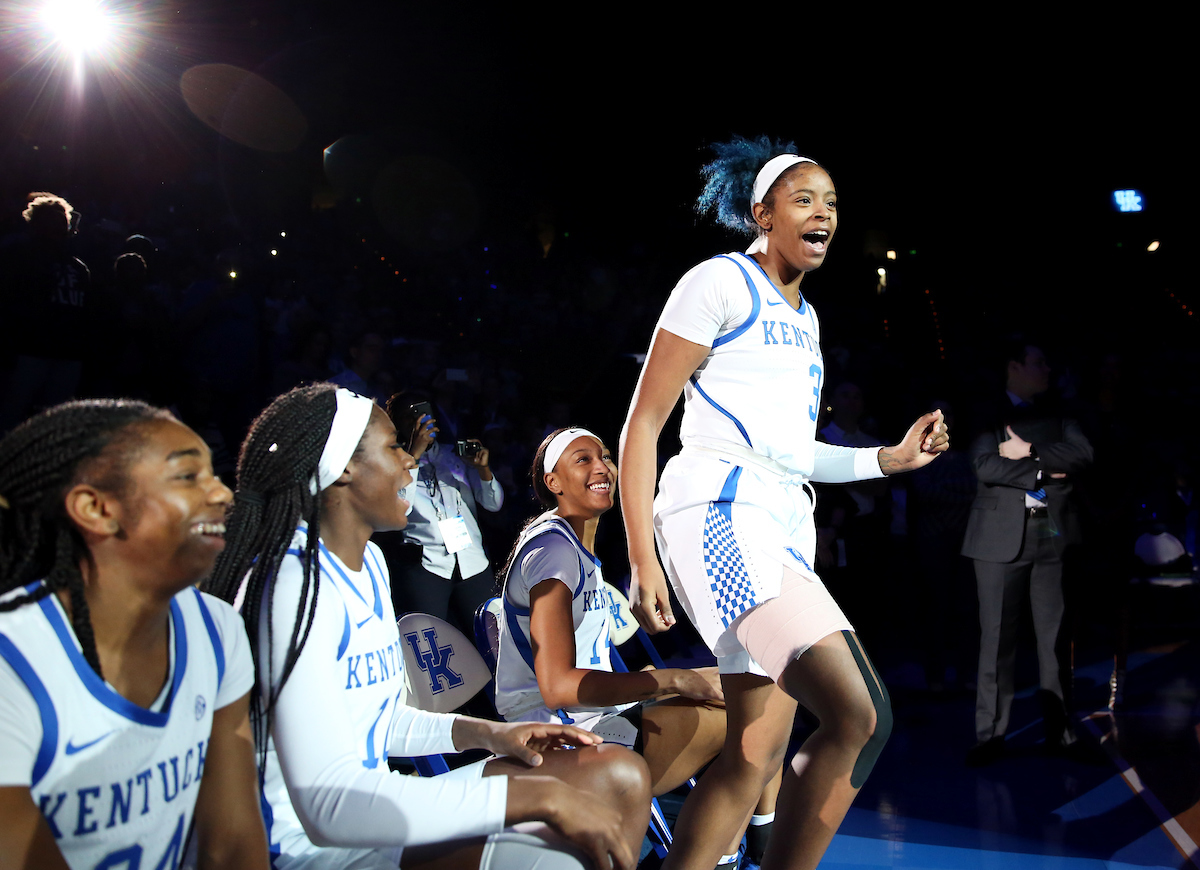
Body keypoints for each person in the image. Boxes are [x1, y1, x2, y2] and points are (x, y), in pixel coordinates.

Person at [619, 137, 949, 870]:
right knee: (861, 712)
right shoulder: (719, 282)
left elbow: (795, 453)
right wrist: (642, 557)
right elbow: (644, 422)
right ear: (762, 214)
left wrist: (887, 459)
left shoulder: (807, 321)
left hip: (777, 523)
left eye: (832, 202)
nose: (823, 212)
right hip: (717, 516)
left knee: (753, 754)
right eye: (805, 199)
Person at [206, 383, 650, 870]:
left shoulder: (369, 563)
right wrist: (533, 800)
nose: (411, 461)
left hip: (371, 814)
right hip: (317, 847)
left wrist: (495, 735)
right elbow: (327, 807)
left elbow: (383, 723)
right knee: (561, 854)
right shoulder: (292, 585)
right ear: (343, 468)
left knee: (618, 773)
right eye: (394, 446)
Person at [495, 428, 782, 867]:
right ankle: (728, 851)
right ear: (553, 482)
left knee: (760, 688)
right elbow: (556, 686)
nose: (601, 467)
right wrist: (669, 680)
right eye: (582, 459)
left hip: (592, 714)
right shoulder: (552, 554)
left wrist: (663, 682)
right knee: (748, 723)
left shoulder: (572, 546)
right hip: (555, 735)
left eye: (605, 456)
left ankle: (753, 843)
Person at [0, 399, 267, 870]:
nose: (223, 493)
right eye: (188, 476)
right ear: (97, 508)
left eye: (213, 474)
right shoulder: (12, 660)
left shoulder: (216, 629)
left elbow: (231, 847)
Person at [962, 342, 1093, 766]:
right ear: (1014, 366)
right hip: (999, 538)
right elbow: (984, 465)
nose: (1047, 368)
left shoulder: (1062, 410)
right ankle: (990, 736)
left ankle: (1061, 732)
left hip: (1051, 534)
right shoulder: (986, 411)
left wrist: (1029, 454)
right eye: (1039, 362)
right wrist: (1043, 471)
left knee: (1054, 639)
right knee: (997, 638)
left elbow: (1083, 455)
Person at [383, 395, 503, 635]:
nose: (420, 422)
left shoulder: (454, 455)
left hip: (472, 561)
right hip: (426, 564)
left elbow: (493, 503)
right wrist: (413, 457)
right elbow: (397, 507)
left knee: (493, 638)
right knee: (429, 642)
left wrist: (483, 470)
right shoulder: (390, 463)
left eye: (424, 414)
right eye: (411, 416)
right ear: (397, 423)